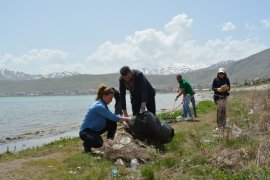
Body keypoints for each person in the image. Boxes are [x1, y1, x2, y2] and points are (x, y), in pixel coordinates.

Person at [79, 84, 130, 153]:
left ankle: (109, 143)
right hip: (86, 131)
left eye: (112, 98)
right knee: (99, 143)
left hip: (95, 130)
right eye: (110, 98)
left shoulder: (103, 104)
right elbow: (114, 117)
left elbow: (112, 118)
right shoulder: (99, 106)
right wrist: (129, 118)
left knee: (112, 123)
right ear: (104, 96)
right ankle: (86, 145)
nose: (111, 101)